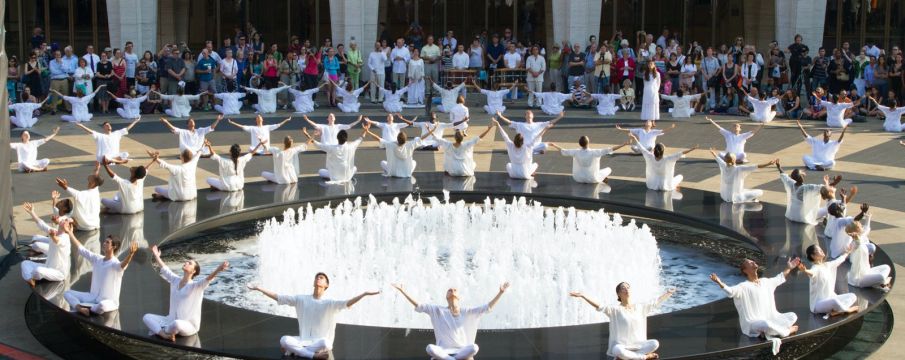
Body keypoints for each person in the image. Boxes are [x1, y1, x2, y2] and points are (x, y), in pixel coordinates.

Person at [246, 274, 379, 358]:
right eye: (317, 277)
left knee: (326, 343)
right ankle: (311, 356)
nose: (318, 278)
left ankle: (295, 351)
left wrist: (364, 294)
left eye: (322, 278)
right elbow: (279, 297)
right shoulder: (301, 299)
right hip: (304, 341)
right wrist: (259, 288)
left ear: (326, 285)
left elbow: (347, 303)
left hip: (319, 343)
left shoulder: (330, 302)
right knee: (284, 339)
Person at [391, 282, 510, 360]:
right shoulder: (437, 310)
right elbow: (419, 305)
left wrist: (500, 292)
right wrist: (402, 291)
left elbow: (487, 307)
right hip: (443, 352)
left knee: (474, 348)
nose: (452, 291)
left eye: (455, 290)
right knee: (430, 348)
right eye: (449, 290)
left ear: (459, 296)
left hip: (462, 351)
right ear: (446, 296)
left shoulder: (467, 311)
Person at [710, 258, 800, 349]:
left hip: (770, 318)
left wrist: (789, 268)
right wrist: (720, 282)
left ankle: (767, 332)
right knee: (765, 324)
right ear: (745, 270)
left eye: (753, 261)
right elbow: (731, 292)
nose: (753, 262)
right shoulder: (743, 286)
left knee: (793, 316)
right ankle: (787, 331)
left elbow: (780, 277)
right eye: (749, 262)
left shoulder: (765, 282)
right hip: (753, 323)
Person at [144, 245, 228, 341]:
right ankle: (164, 334)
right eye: (187, 262)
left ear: (194, 271)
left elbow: (208, 279)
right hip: (170, 320)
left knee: (176, 324)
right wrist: (157, 256)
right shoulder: (175, 280)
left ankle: (162, 330)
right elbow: (165, 269)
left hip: (189, 325)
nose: (186, 263)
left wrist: (218, 269)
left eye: (190, 263)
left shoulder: (196, 286)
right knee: (146, 317)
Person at [570, 284, 675, 360]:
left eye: (628, 287)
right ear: (619, 294)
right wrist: (583, 296)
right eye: (623, 288)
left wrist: (668, 293)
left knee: (655, 343)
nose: (626, 289)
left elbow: (655, 302)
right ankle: (645, 357)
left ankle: (627, 358)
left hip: (638, 346)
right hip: (622, 347)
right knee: (617, 350)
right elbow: (599, 305)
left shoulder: (640, 307)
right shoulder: (615, 310)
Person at [63, 227, 139, 316]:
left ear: (114, 247)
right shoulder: (97, 259)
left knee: (102, 306)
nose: (104, 243)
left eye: (107, 242)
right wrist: (70, 233)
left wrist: (131, 254)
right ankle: (80, 309)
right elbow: (82, 250)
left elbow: (123, 265)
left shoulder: (115, 264)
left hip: (109, 302)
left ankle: (89, 309)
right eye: (104, 241)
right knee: (67, 293)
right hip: (92, 297)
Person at [798, 243, 860, 317]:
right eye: (819, 250)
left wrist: (848, 252)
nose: (822, 251)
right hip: (818, 305)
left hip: (830, 298)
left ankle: (838, 311)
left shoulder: (827, 265)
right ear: (813, 256)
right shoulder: (815, 268)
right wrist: (805, 270)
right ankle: (847, 310)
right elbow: (812, 273)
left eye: (821, 249)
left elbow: (839, 260)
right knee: (834, 301)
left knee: (852, 296)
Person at [20, 204, 72, 287]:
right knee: (25, 263)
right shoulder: (54, 231)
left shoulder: (65, 238)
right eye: (64, 220)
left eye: (66, 222)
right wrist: (32, 212)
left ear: (68, 228)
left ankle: (32, 278)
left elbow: (57, 241)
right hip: (48, 266)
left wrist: (52, 236)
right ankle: (30, 279)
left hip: (59, 273)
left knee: (38, 270)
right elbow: (42, 224)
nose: (64, 221)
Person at [304, 123, 370, 183]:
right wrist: (365, 130)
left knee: (320, 171)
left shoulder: (331, 148)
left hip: (334, 176)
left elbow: (316, 143)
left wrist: (307, 134)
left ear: (337, 138)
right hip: (347, 176)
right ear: (346, 139)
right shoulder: (351, 146)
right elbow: (361, 138)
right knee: (354, 168)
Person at [363, 122, 435, 178]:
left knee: (382, 162)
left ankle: (389, 172)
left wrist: (367, 131)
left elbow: (378, 138)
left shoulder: (390, 144)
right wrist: (431, 130)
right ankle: (406, 172)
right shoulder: (410, 144)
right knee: (414, 162)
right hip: (407, 173)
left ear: (397, 139)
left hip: (393, 172)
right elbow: (422, 138)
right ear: (406, 139)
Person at [630, 134, 697, 191]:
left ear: (654, 150)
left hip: (653, 184)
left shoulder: (650, 156)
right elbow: (681, 153)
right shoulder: (667, 158)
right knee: (680, 176)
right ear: (663, 151)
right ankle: (675, 186)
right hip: (666, 185)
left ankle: (674, 186)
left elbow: (642, 148)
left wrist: (635, 138)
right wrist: (693, 149)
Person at [550, 137, 628, 183]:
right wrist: (623, 145)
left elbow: (563, 151)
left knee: (601, 172)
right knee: (608, 169)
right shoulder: (594, 152)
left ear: (579, 144)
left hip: (578, 178)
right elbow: (610, 149)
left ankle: (602, 178)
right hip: (592, 178)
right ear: (588, 142)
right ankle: (603, 179)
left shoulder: (576, 151)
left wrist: (554, 145)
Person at [710, 149, 776, 203]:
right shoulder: (739, 168)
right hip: (736, 197)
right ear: (734, 160)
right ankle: (750, 199)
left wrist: (713, 152)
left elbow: (717, 158)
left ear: (725, 160)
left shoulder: (723, 165)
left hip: (725, 196)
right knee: (760, 192)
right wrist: (768, 164)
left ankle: (749, 198)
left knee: (745, 190)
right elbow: (756, 166)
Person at [845, 220, 892, 290]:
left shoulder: (860, 239)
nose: (862, 226)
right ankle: (882, 282)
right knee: (881, 277)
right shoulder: (854, 244)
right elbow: (858, 244)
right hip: (858, 279)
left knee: (886, 267)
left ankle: (880, 282)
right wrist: (856, 238)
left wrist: (868, 218)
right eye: (860, 226)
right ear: (857, 230)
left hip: (866, 271)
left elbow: (866, 230)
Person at [75, 119, 140, 164]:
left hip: (115, 155)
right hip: (105, 156)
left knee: (126, 154)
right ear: (104, 128)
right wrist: (81, 125)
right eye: (106, 125)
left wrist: (135, 121)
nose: (108, 126)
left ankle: (114, 160)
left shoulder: (116, 133)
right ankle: (119, 161)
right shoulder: (100, 135)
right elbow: (90, 131)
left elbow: (127, 128)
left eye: (109, 125)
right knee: (105, 158)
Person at [497, 110, 564, 154]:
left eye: (530, 113)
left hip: (535, 145)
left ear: (533, 116)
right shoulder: (520, 124)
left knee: (545, 145)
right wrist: (500, 116)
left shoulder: (539, 124)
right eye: (527, 113)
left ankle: (533, 152)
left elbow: (551, 122)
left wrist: (559, 117)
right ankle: (535, 152)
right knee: (518, 147)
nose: (529, 114)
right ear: (525, 116)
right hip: (524, 145)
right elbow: (509, 122)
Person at [228, 115, 293, 154]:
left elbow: (278, 125)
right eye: (257, 117)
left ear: (262, 119)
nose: (259, 117)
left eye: (260, 117)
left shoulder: (267, 127)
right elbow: (242, 126)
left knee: (276, 149)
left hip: (266, 148)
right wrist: (232, 122)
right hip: (256, 149)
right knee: (250, 148)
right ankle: (260, 152)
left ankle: (265, 151)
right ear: (256, 120)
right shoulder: (252, 128)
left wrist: (286, 120)